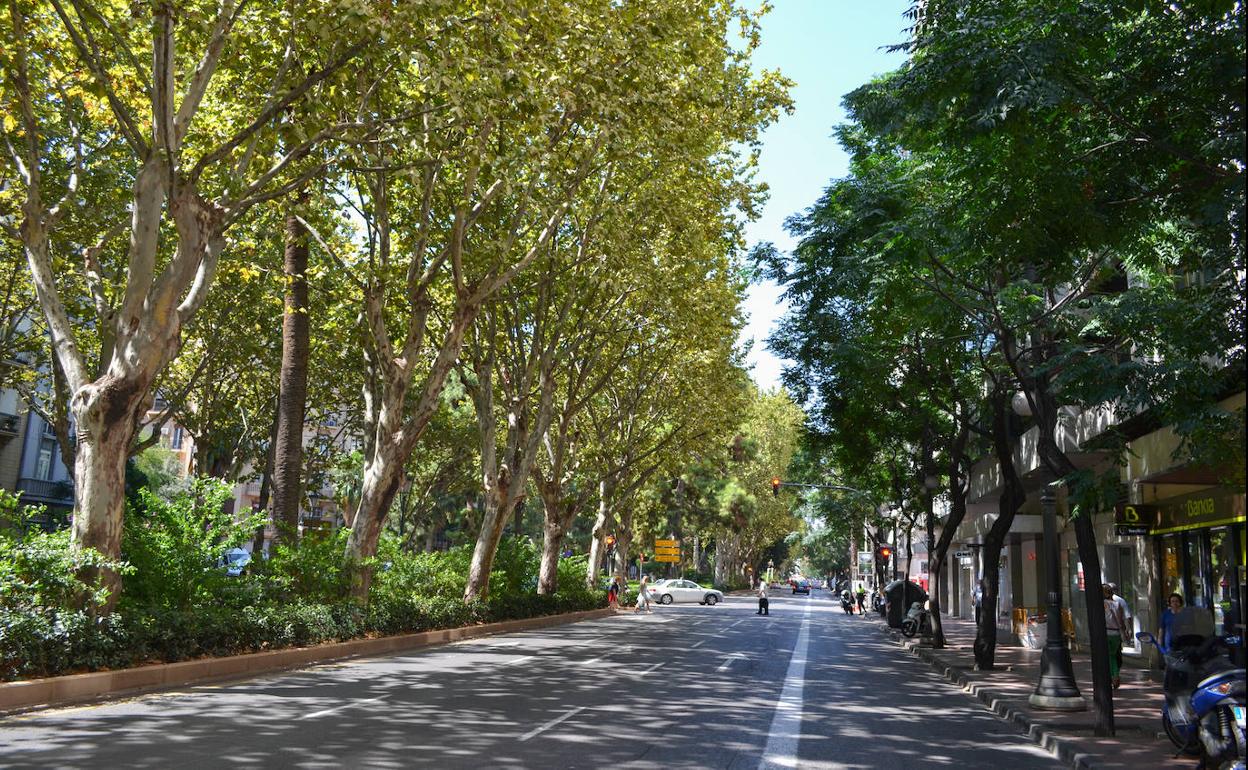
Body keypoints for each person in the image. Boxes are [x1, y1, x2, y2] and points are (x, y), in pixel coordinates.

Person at [1103, 583, 1127, 689]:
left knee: (1107, 656)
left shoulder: (1101, 604)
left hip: (1105, 633)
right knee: (1112, 656)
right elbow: (1120, 620)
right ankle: (1115, 676)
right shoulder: (1117, 604)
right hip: (1116, 633)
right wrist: (1123, 631)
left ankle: (1111, 676)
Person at [1109, 583, 1132, 668]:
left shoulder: (1102, 600)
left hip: (1107, 631)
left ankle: (1112, 672)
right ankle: (1115, 672)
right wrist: (1128, 629)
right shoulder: (1120, 600)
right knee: (1116, 652)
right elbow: (1127, 616)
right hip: (1117, 632)